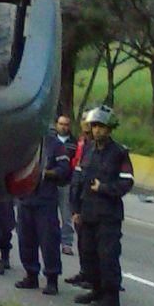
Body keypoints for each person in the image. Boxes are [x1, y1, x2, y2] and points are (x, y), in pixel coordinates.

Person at [70, 105, 134, 306]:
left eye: (102, 127)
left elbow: (127, 182)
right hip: (87, 213)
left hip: (108, 215)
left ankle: (111, 297)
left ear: (109, 129)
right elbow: (78, 179)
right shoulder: (87, 149)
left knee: (107, 256)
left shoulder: (119, 153)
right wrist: (75, 209)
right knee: (88, 254)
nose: (97, 130)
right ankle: (96, 290)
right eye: (95, 126)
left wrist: (104, 188)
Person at [15, 130, 72, 295]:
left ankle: (52, 279)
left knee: (49, 240)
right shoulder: (23, 142)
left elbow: (64, 169)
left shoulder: (56, 145)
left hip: (45, 200)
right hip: (25, 198)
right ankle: (31, 274)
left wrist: (44, 173)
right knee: (25, 238)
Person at [65, 112, 94, 287]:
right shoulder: (81, 142)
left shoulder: (95, 146)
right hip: (77, 188)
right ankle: (85, 272)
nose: (84, 124)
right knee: (82, 239)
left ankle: (94, 276)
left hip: (90, 196)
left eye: (87, 121)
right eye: (83, 120)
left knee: (92, 241)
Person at [54, 114, 77, 254]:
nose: (63, 127)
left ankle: (67, 243)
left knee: (66, 215)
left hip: (66, 183)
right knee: (49, 215)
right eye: (61, 124)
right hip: (50, 184)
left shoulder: (74, 144)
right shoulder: (50, 140)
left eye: (66, 124)